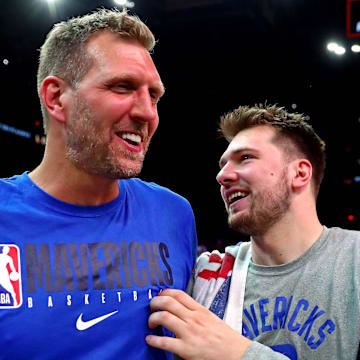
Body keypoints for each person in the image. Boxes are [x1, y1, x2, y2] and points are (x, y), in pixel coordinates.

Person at [0, 8, 197, 360]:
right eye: (123, 86)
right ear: (56, 98)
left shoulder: (175, 214)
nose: (147, 113)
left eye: (154, 96)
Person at [145, 104, 360, 359]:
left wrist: (240, 354)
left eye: (245, 157)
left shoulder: (354, 260)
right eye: (222, 165)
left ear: (299, 173)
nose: (221, 175)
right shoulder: (208, 275)